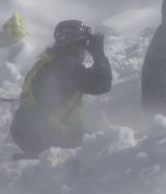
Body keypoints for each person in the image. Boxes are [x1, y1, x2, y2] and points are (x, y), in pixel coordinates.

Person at [10, 20, 112, 157]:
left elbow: (58, 108)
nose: (85, 50)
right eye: (84, 45)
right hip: (44, 133)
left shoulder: (51, 60)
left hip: (28, 128)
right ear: (76, 44)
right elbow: (103, 84)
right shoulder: (66, 67)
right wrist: (98, 53)